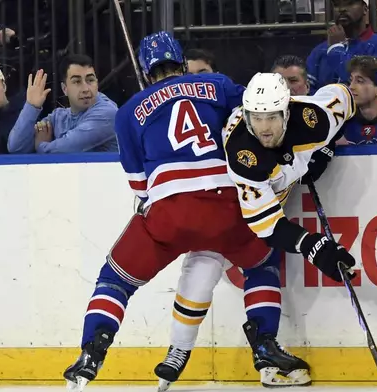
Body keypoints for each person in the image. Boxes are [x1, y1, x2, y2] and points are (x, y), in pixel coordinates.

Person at [62, 32, 343, 392]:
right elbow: (253, 123)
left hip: (169, 211)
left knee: (116, 278)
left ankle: (92, 350)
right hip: (229, 205)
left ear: (147, 74)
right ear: (182, 63)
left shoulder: (130, 110)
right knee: (261, 266)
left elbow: (140, 186)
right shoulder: (217, 84)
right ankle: (264, 345)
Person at [222, 71, 357, 309]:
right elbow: (267, 225)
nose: (264, 128)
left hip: (278, 176)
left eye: (272, 117)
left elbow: (345, 96)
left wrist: (328, 145)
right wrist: (313, 247)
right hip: (235, 196)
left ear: (286, 112)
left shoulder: (313, 118)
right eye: (256, 118)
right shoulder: (243, 154)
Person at [306, 0, 377, 93]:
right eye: (336, 4)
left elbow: (372, 90)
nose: (341, 9)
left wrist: (336, 50)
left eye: (350, 3)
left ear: (365, 9)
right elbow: (306, 91)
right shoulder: (320, 50)